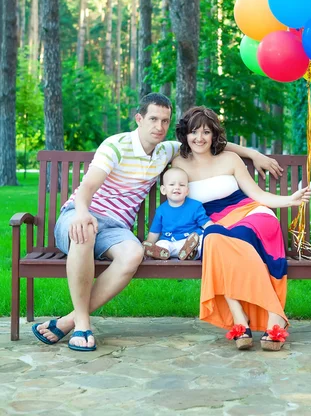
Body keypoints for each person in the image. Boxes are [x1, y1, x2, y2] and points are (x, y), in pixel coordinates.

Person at [31, 93, 283, 351]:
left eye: (165, 120)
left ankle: (67, 320)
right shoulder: (115, 145)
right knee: (84, 233)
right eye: (153, 119)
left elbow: (209, 142)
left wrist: (253, 154)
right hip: (80, 212)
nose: (159, 127)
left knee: (134, 254)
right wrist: (83, 213)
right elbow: (87, 188)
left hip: (116, 227)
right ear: (138, 119)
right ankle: (82, 324)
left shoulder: (166, 150)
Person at [173, 106, 311, 351]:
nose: (200, 138)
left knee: (238, 240)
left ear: (214, 135)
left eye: (206, 131)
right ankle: (240, 319)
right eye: (194, 131)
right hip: (216, 223)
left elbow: (257, 194)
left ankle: (274, 316)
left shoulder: (229, 158)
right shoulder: (177, 162)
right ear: (185, 134)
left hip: (252, 214)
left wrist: (290, 200)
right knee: (213, 240)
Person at [143, 167, 212, 261]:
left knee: (203, 239)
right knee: (162, 244)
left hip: (192, 242)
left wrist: (217, 231)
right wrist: (149, 244)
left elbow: (206, 224)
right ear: (163, 190)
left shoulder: (195, 206)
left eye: (182, 185)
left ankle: (192, 253)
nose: (177, 187)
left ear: (187, 191)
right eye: (171, 184)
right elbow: (154, 232)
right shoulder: (161, 211)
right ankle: (159, 252)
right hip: (171, 243)